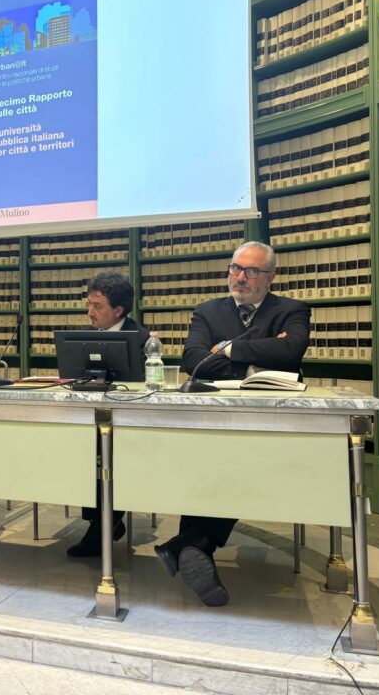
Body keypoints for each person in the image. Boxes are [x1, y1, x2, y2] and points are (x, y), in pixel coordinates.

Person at [154, 241, 310, 606]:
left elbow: (291, 351)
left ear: (270, 277)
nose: (240, 277)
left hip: (271, 421)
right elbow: (193, 360)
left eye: (251, 271)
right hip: (214, 417)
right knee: (211, 464)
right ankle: (193, 546)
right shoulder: (208, 311)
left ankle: (188, 545)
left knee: (240, 462)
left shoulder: (292, 309)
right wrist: (259, 357)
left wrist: (226, 349)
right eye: (235, 269)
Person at [66, 271, 149, 558]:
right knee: (74, 447)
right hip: (90, 416)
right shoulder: (85, 335)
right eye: (89, 305)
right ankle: (101, 521)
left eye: (97, 306)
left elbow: (142, 384)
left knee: (112, 456)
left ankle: (103, 526)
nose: (90, 312)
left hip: (130, 422)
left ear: (119, 310)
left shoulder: (141, 338)